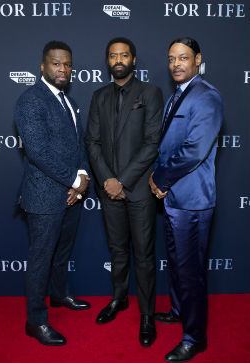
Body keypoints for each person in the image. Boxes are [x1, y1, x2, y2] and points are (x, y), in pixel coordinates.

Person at [86, 37, 164, 347]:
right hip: (109, 190)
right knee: (117, 251)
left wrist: (124, 180)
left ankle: (147, 314)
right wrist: (107, 179)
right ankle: (119, 299)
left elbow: (151, 143)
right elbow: (92, 142)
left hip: (138, 191)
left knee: (144, 255)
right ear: (108, 61)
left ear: (134, 59)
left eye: (124, 54)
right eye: (113, 55)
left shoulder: (150, 93)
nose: (118, 59)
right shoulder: (98, 96)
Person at [150, 37, 223, 362]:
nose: (176, 64)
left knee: (190, 270)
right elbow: (166, 145)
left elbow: (193, 150)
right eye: (171, 59)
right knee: (179, 266)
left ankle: (195, 338)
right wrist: (158, 179)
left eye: (183, 58)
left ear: (197, 60)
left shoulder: (206, 97)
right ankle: (180, 311)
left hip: (192, 199)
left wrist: (160, 179)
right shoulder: (177, 96)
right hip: (173, 199)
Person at [15, 41, 91, 346]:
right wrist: (74, 179)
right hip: (44, 197)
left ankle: (60, 295)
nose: (63, 69)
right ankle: (35, 321)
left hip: (71, 194)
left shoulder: (69, 102)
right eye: (57, 63)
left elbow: (79, 144)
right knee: (41, 259)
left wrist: (83, 175)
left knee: (62, 253)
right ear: (43, 66)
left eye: (68, 64)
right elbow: (38, 152)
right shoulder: (30, 100)